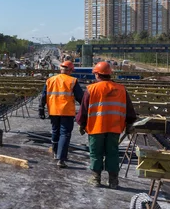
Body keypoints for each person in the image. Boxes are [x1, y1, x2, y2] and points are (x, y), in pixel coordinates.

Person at [76, 61, 137, 189]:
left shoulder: (91, 89)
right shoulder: (121, 89)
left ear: (97, 74)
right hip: (115, 127)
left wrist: (81, 123)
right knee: (112, 153)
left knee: (96, 153)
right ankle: (113, 181)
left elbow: (84, 109)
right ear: (110, 74)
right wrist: (130, 123)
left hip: (96, 127)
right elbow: (129, 109)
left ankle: (95, 179)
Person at [39, 60, 84, 169]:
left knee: (55, 131)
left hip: (53, 110)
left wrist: (41, 108)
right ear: (70, 70)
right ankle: (61, 158)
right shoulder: (72, 81)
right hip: (67, 112)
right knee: (65, 134)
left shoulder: (50, 80)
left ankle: (55, 152)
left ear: (61, 69)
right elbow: (81, 97)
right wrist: (85, 109)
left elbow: (43, 95)